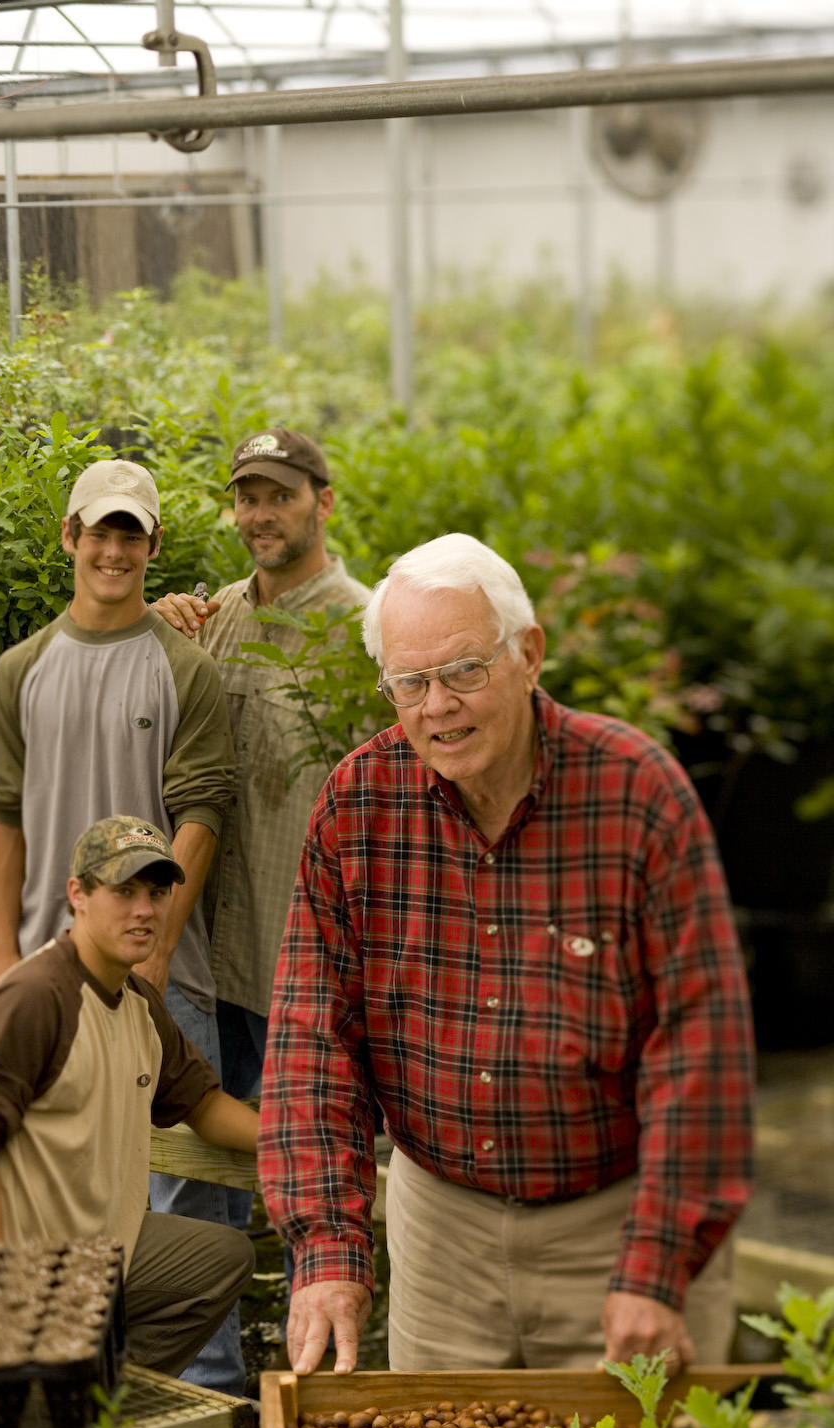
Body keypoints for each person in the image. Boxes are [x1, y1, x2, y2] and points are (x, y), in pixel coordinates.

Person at [258, 531, 755, 1379]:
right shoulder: (359, 805)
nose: (437, 707)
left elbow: (700, 1048)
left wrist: (657, 1263)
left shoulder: (637, 794)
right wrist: (329, 1250)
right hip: (441, 1239)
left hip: (619, 1227)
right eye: (410, 683)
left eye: (463, 671)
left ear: (529, 655)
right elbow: (313, 1039)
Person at [0, 457, 246, 1395]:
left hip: (165, 977)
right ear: (69, 539)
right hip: (50, 982)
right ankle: (63, 1376)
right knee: (55, 1186)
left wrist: (161, 954)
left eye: (133, 534)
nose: (115, 549)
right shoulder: (20, 671)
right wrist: (7, 957)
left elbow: (202, 807)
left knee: (183, 1190)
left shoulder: (182, 669)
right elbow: (1, 809)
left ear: (153, 545)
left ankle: (205, 1394)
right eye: (100, 531)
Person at [0, 816, 258, 1380]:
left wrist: (293, 1143)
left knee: (222, 1259)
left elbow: (202, 1104)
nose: (144, 910)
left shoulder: (140, 1003)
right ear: (78, 894)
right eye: (123, 891)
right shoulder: (35, 998)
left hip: (94, 1252)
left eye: (157, 892)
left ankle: (95, 1393)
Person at [154, 428, 371, 1155]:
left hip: (303, 968)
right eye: (248, 499)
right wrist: (150, 627)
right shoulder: (218, 617)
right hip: (211, 962)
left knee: (316, 1160)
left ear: (325, 503)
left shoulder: (366, 630)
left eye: (282, 496)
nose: (261, 514)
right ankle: (215, 1271)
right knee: (199, 1156)